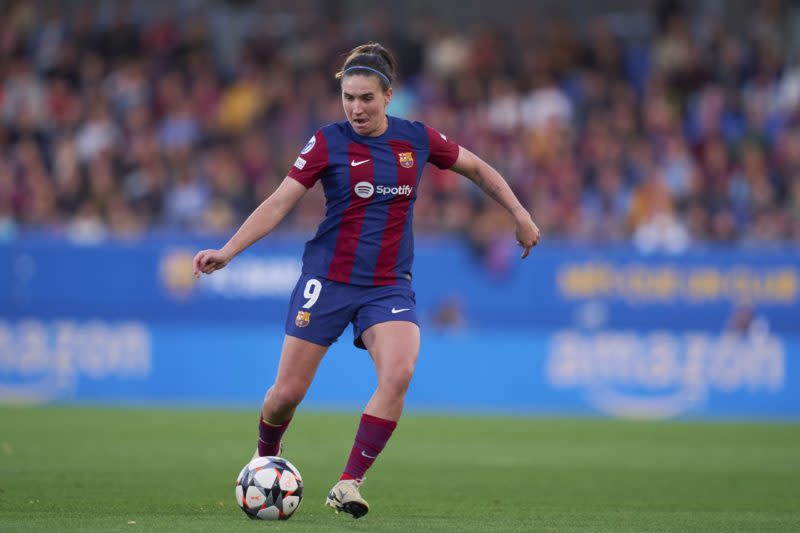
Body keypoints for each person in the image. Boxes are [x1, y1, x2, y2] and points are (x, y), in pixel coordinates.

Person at [192, 42, 540, 519]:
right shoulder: (327, 141)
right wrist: (228, 251)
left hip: (388, 285)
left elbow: (477, 168)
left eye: (366, 98)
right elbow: (278, 202)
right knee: (286, 395)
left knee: (400, 371)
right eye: (348, 97)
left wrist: (519, 213)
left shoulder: (416, 139)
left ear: (388, 96)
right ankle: (263, 456)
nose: (356, 108)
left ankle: (349, 482)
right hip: (328, 279)